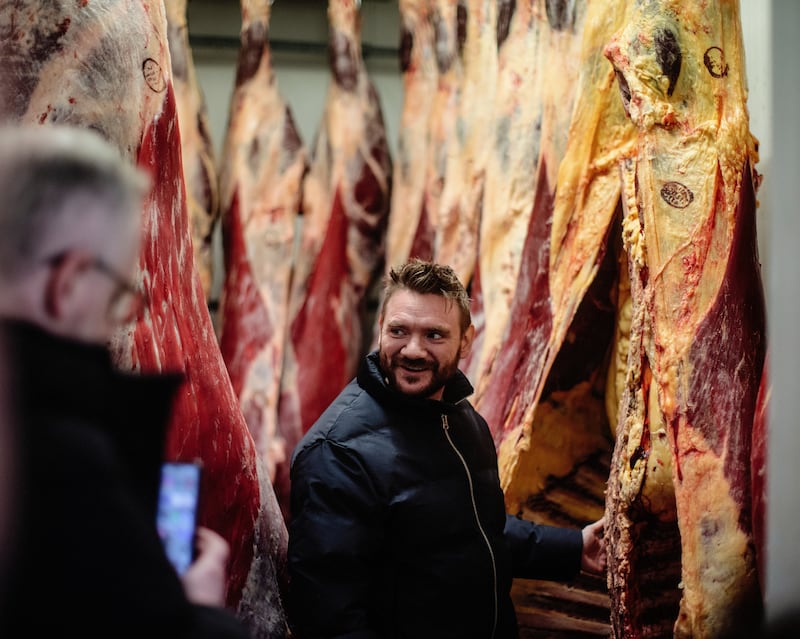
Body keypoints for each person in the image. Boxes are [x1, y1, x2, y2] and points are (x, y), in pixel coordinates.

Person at [0, 124, 249, 638]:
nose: (119, 320)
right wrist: (198, 614)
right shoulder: (64, 465)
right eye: (119, 294)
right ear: (66, 284)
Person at [287, 258, 607, 639]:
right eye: (399, 331)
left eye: (434, 335)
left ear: (466, 341)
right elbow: (328, 617)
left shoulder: (460, 419)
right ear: (381, 330)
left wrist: (573, 549)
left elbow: (475, 531)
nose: (413, 350)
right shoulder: (339, 452)